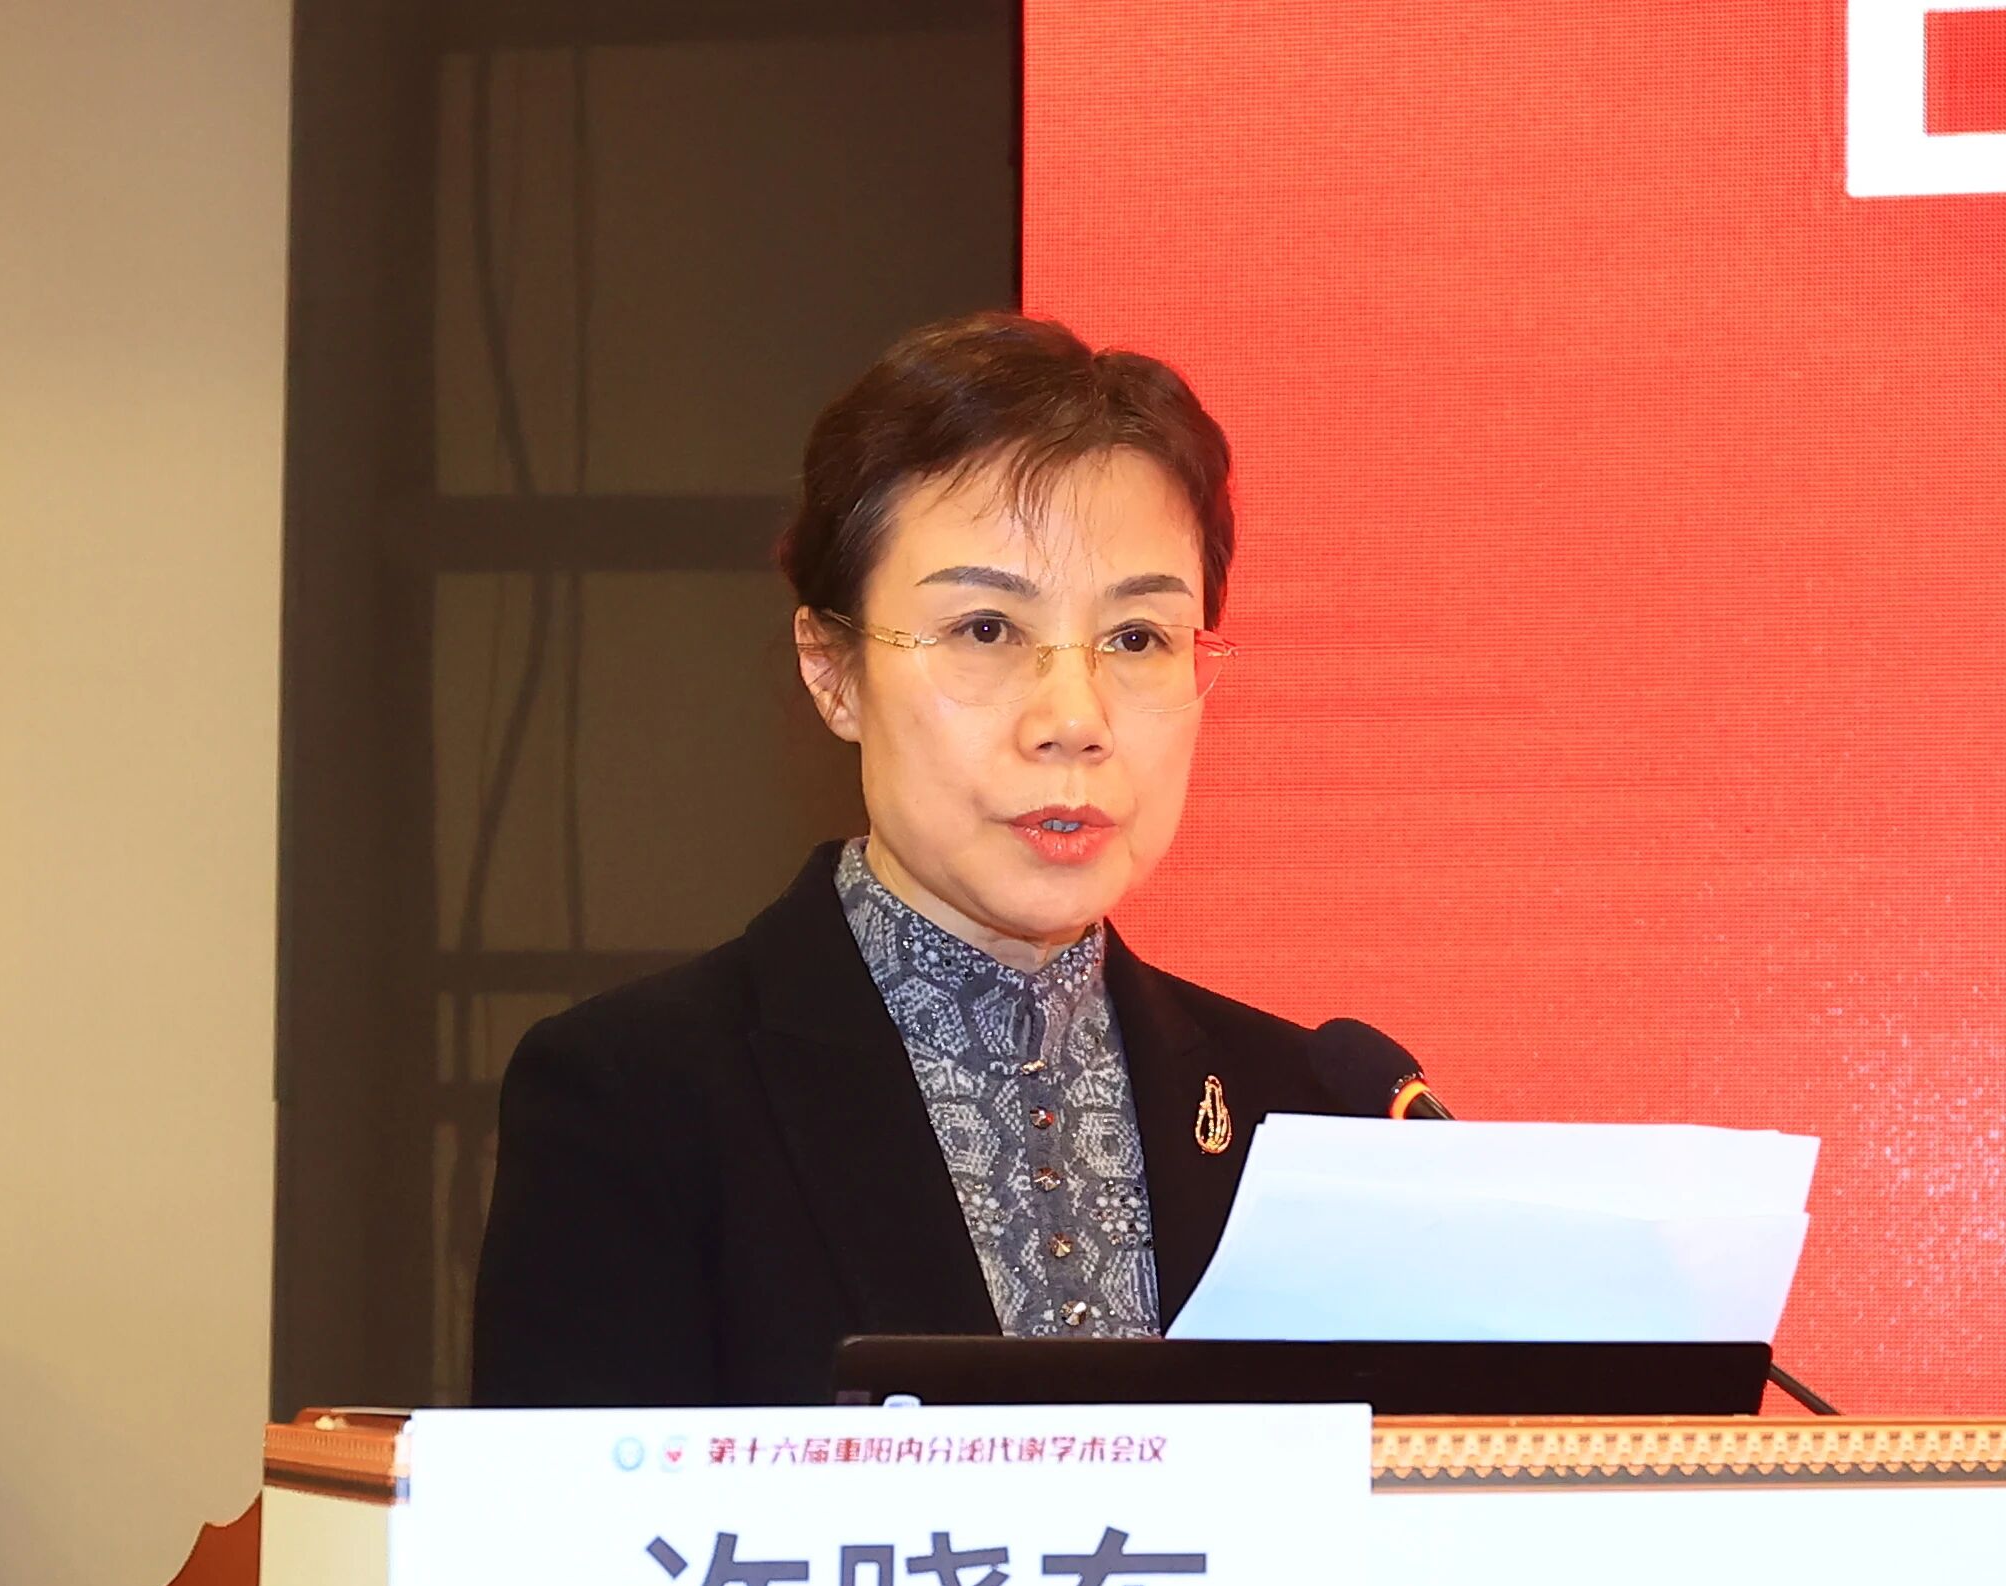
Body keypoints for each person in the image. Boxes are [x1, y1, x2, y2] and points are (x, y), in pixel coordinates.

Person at [471, 312, 1371, 1406]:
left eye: (1137, 639)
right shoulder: (639, 1104)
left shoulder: (1313, 1119)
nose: (1073, 720)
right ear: (832, 670)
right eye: (986, 629)